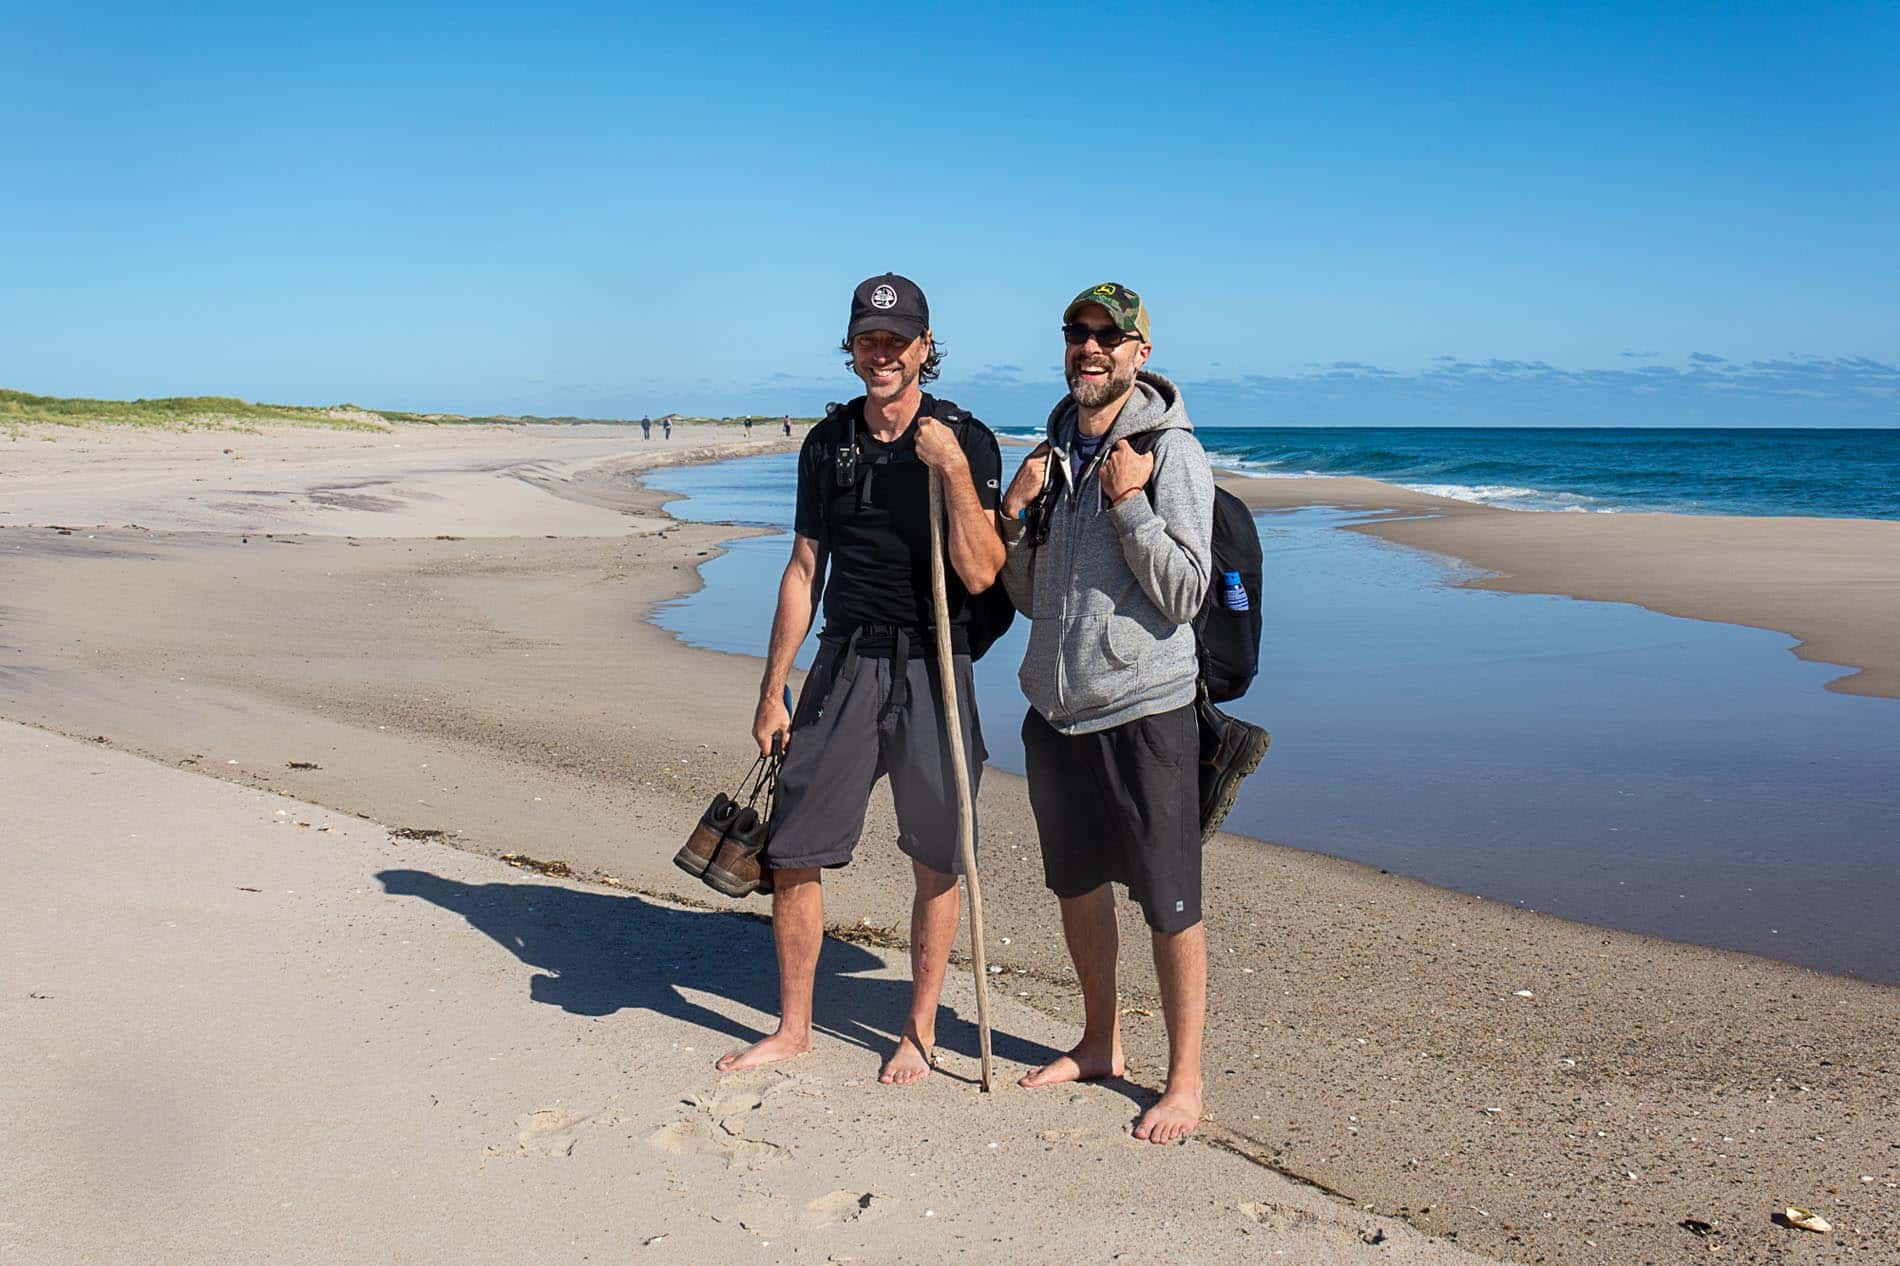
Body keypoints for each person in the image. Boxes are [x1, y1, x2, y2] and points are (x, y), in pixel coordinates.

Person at [715, 273, 1006, 1085]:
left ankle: (917, 1030)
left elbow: (983, 575)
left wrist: (949, 470)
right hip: (845, 660)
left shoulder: (967, 437)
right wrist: (772, 687)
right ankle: (795, 1026)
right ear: (852, 348)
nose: (881, 354)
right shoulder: (828, 442)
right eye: (867, 340)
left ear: (924, 348)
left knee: (939, 854)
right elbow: (804, 568)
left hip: (936, 663)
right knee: (796, 845)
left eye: (897, 341)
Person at [998, 283, 1215, 1144]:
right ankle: (1098, 1042)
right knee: (1077, 887)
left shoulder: (1173, 454)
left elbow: (1187, 591)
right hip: (1056, 711)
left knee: (1169, 899)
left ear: (1140, 354)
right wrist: (1015, 515)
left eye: (1109, 338)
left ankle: (1186, 1080)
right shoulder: (1052, 453)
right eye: (1078, 334)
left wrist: (1130, 504)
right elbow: (1026, 596)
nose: (1090, 349)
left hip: (1146, 708)